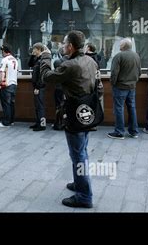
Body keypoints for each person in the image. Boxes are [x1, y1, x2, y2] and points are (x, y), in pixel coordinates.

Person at [39, 30, 100, 208]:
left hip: (74, 112)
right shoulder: (91, 60)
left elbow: (46, 77)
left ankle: (84, 196)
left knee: (78, 154)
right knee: (82, 150)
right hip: (87, 110)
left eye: (64, 43)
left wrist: (45, 58)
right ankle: (79, 183)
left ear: (71, 46)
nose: (62, 46)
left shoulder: (71, 65)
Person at [108, 38, 141, 139]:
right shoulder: (136, 56)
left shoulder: (118, 56)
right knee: (132, 108)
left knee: (119, 109)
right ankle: (134, 131)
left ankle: (119, 132)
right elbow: (139, 72)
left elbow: (114, 73)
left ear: (123, 46)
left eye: (120, 45)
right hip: (132, 87)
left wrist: (113, 84)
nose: (119, 46)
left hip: (120, 87)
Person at [0, 44, 18, 128]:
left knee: (6, 104)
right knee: (11, 103)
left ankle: (6, 122)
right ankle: (11, 120)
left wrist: (0, 83)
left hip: (6, 85)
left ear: (4, 51)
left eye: (2, 51)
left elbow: (2, 72)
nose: (1, 53)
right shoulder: (15, 59)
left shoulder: (4, 60)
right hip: (14, 84)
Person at [28, 42, 46, 131]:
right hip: (36, 86)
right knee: (37, 106)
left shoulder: (43, 59)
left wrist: (38, 87)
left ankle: (42, 125)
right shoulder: (37, 59)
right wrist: (32, 55)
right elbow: (30, 64)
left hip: (39, 87)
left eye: (34, 49)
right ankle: (38, 122)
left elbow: (42, 75)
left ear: (39, 49)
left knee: (40, 106)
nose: (33, 50)